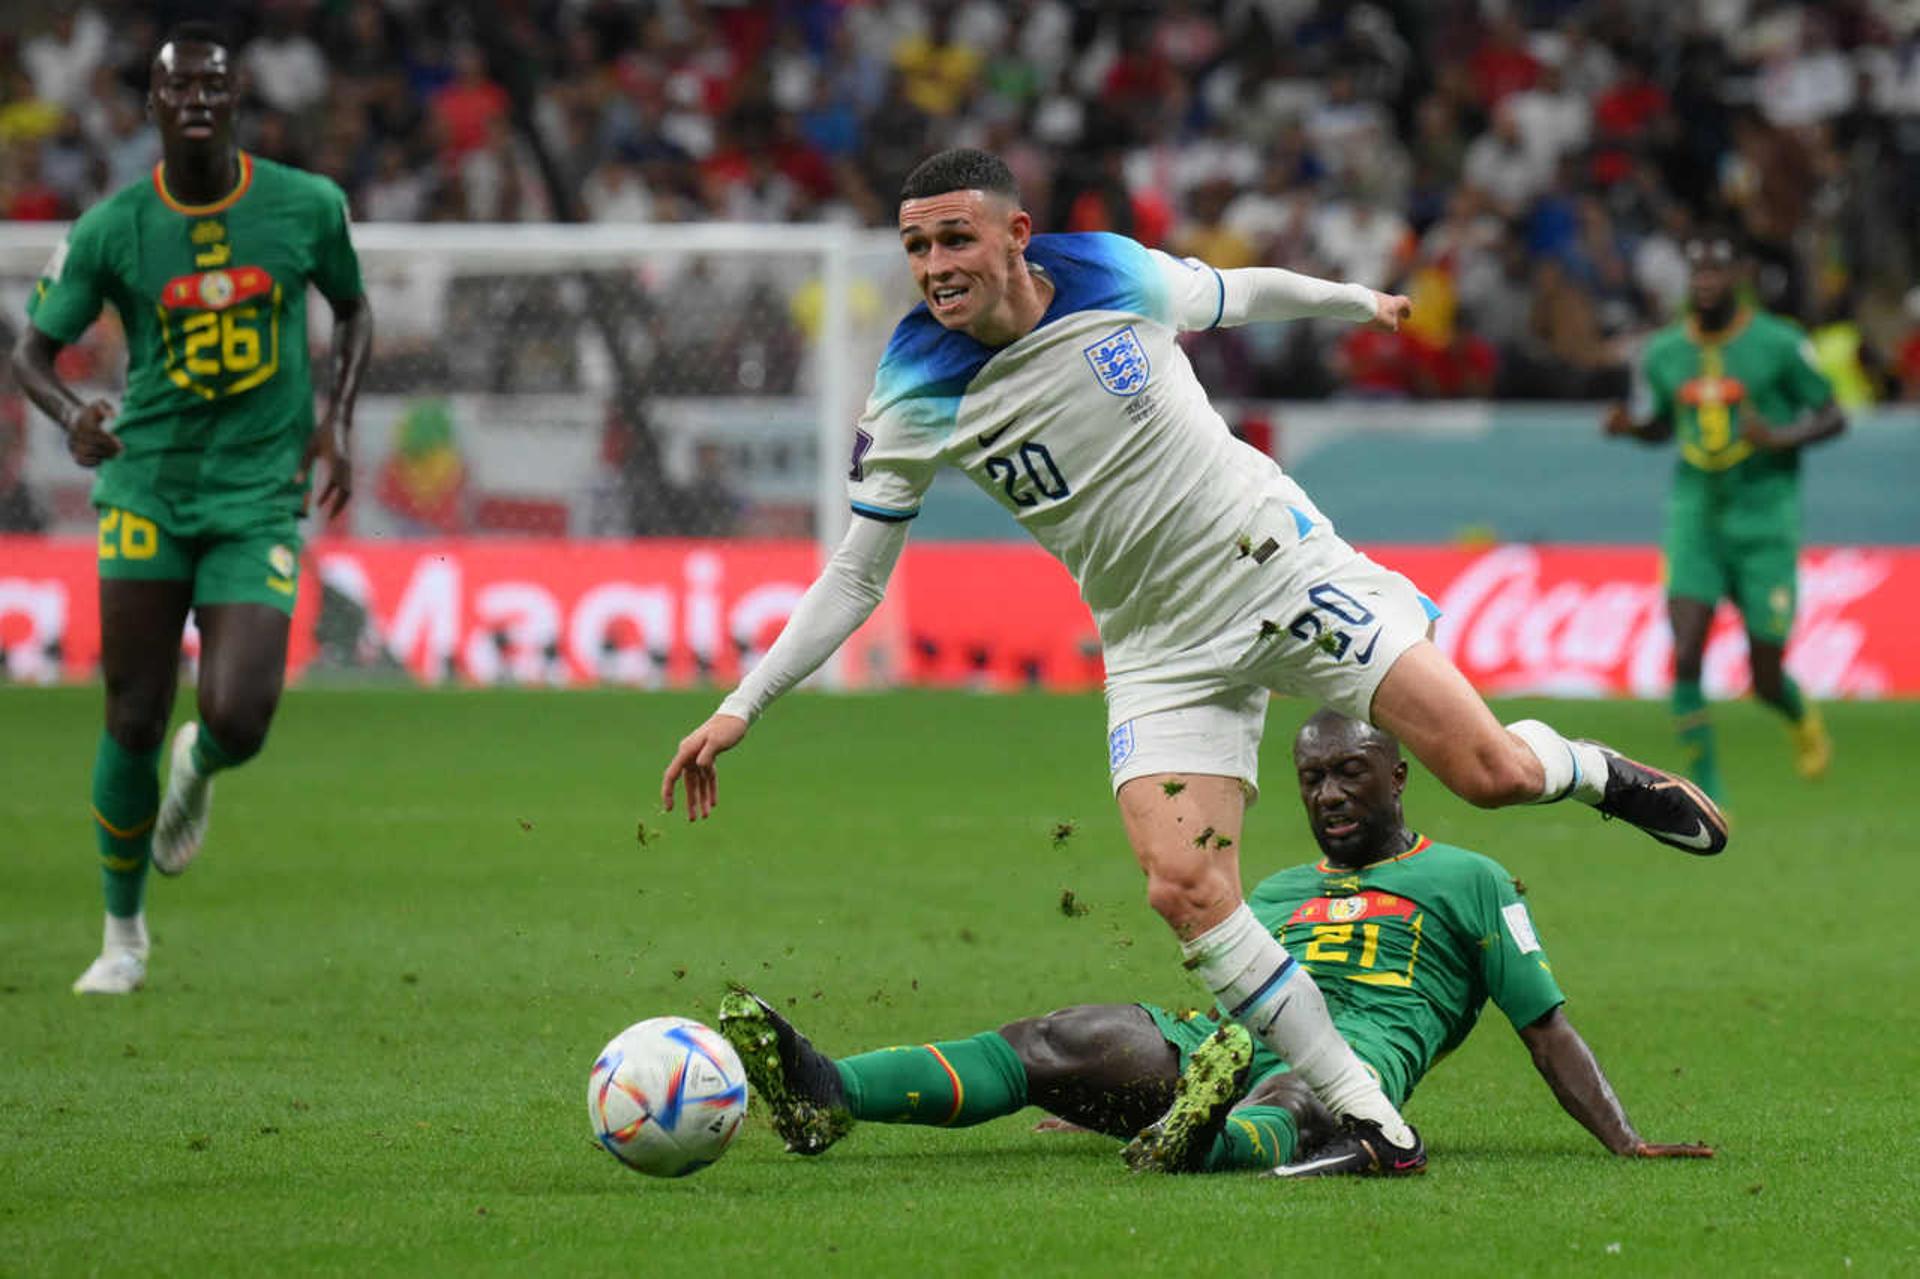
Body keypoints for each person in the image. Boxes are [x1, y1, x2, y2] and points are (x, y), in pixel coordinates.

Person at [661, 148, 1725, 1172]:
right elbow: (856, 575)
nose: (936, 265)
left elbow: (1235, 292)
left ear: (1014, 234)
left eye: (955, 238)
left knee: (1491, 775)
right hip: (1157, 641)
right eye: (916, 247)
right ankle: (1367, 1115)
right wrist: (742, 705)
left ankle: (1598, 773)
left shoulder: (1109, 272)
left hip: (1280, 570)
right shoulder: (911, 384)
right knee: (1186, 885)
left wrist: (1353, 302)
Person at [718, 711, 1714, 1176]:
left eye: (1350, 775)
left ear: (1400, 775)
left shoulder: (1471, 880)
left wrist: (1622, 1137)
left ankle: (1199, 1140)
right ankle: (830, 1092)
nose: (1328, 794)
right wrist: (1097, 1098)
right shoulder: (1274, 890)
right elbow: (1232, 1004)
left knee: (1297, 1095)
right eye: (1313, 777)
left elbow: (1545, 1026)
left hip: (1352, 1057)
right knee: (1061, 1037)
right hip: (1223, 1048)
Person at [10, 22, 372, 995]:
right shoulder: (113, 226)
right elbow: (33, 356)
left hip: (258, 496)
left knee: (240, 714)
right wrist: (72, 419)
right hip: (149, 489)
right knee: (130, 710)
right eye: (182, 89)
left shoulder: (303, 206)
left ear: (236, 99)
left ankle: (199, 767)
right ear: (155, 107)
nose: (200, 101)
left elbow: (354, 306)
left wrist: (336, 420)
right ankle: (121, 935)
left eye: (216, 86)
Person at [1604, 232, 1843, 802]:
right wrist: (1633, 429)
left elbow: (1832, 415)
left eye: (1717, 270)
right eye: (1698, 273)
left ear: (1738, 275)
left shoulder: (1780, 343)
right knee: (1686, 649)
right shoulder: (1665, 352)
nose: (1706, 282)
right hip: (1697, 519)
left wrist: (1780, 436)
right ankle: (1706, 785)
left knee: (1764, 672)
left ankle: (1798, 714)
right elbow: (1663, 424)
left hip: (1764, 521)